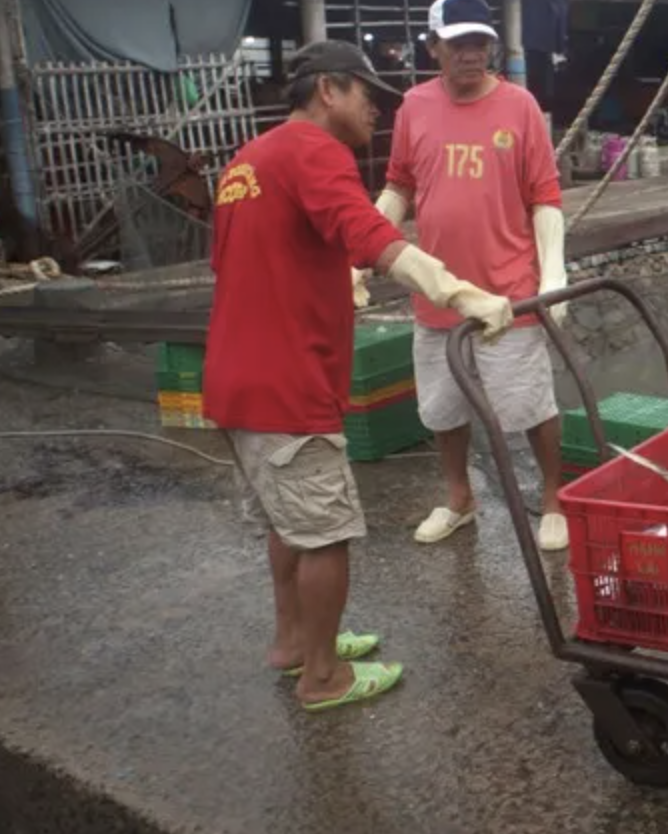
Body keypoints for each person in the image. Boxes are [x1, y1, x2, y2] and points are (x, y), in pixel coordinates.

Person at [204, 40, 513, 712]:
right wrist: (463, 294)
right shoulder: (318, 151)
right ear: (327, 91)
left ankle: (295, 644)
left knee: (288, 524)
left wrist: (329, 282)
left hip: (235, 380)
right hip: (289, 385)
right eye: (365, 93)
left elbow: (239, 262)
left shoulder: (246, 162)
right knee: (327, 534)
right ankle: (323, 677)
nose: (376, 107)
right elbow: (371, 233)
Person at [365, 0, 571, 552]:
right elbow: (399, 185)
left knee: (531, 404)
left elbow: (545, 196)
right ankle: (459, 498)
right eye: (458, 43)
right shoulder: (413, 106)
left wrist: (553, 273)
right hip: (435, 292)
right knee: (441, 408)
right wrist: (365, 247)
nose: (471, 53)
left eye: (480, 42)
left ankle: (554, 499)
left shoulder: (520, 106)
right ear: (433, 47)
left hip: (509, 292)